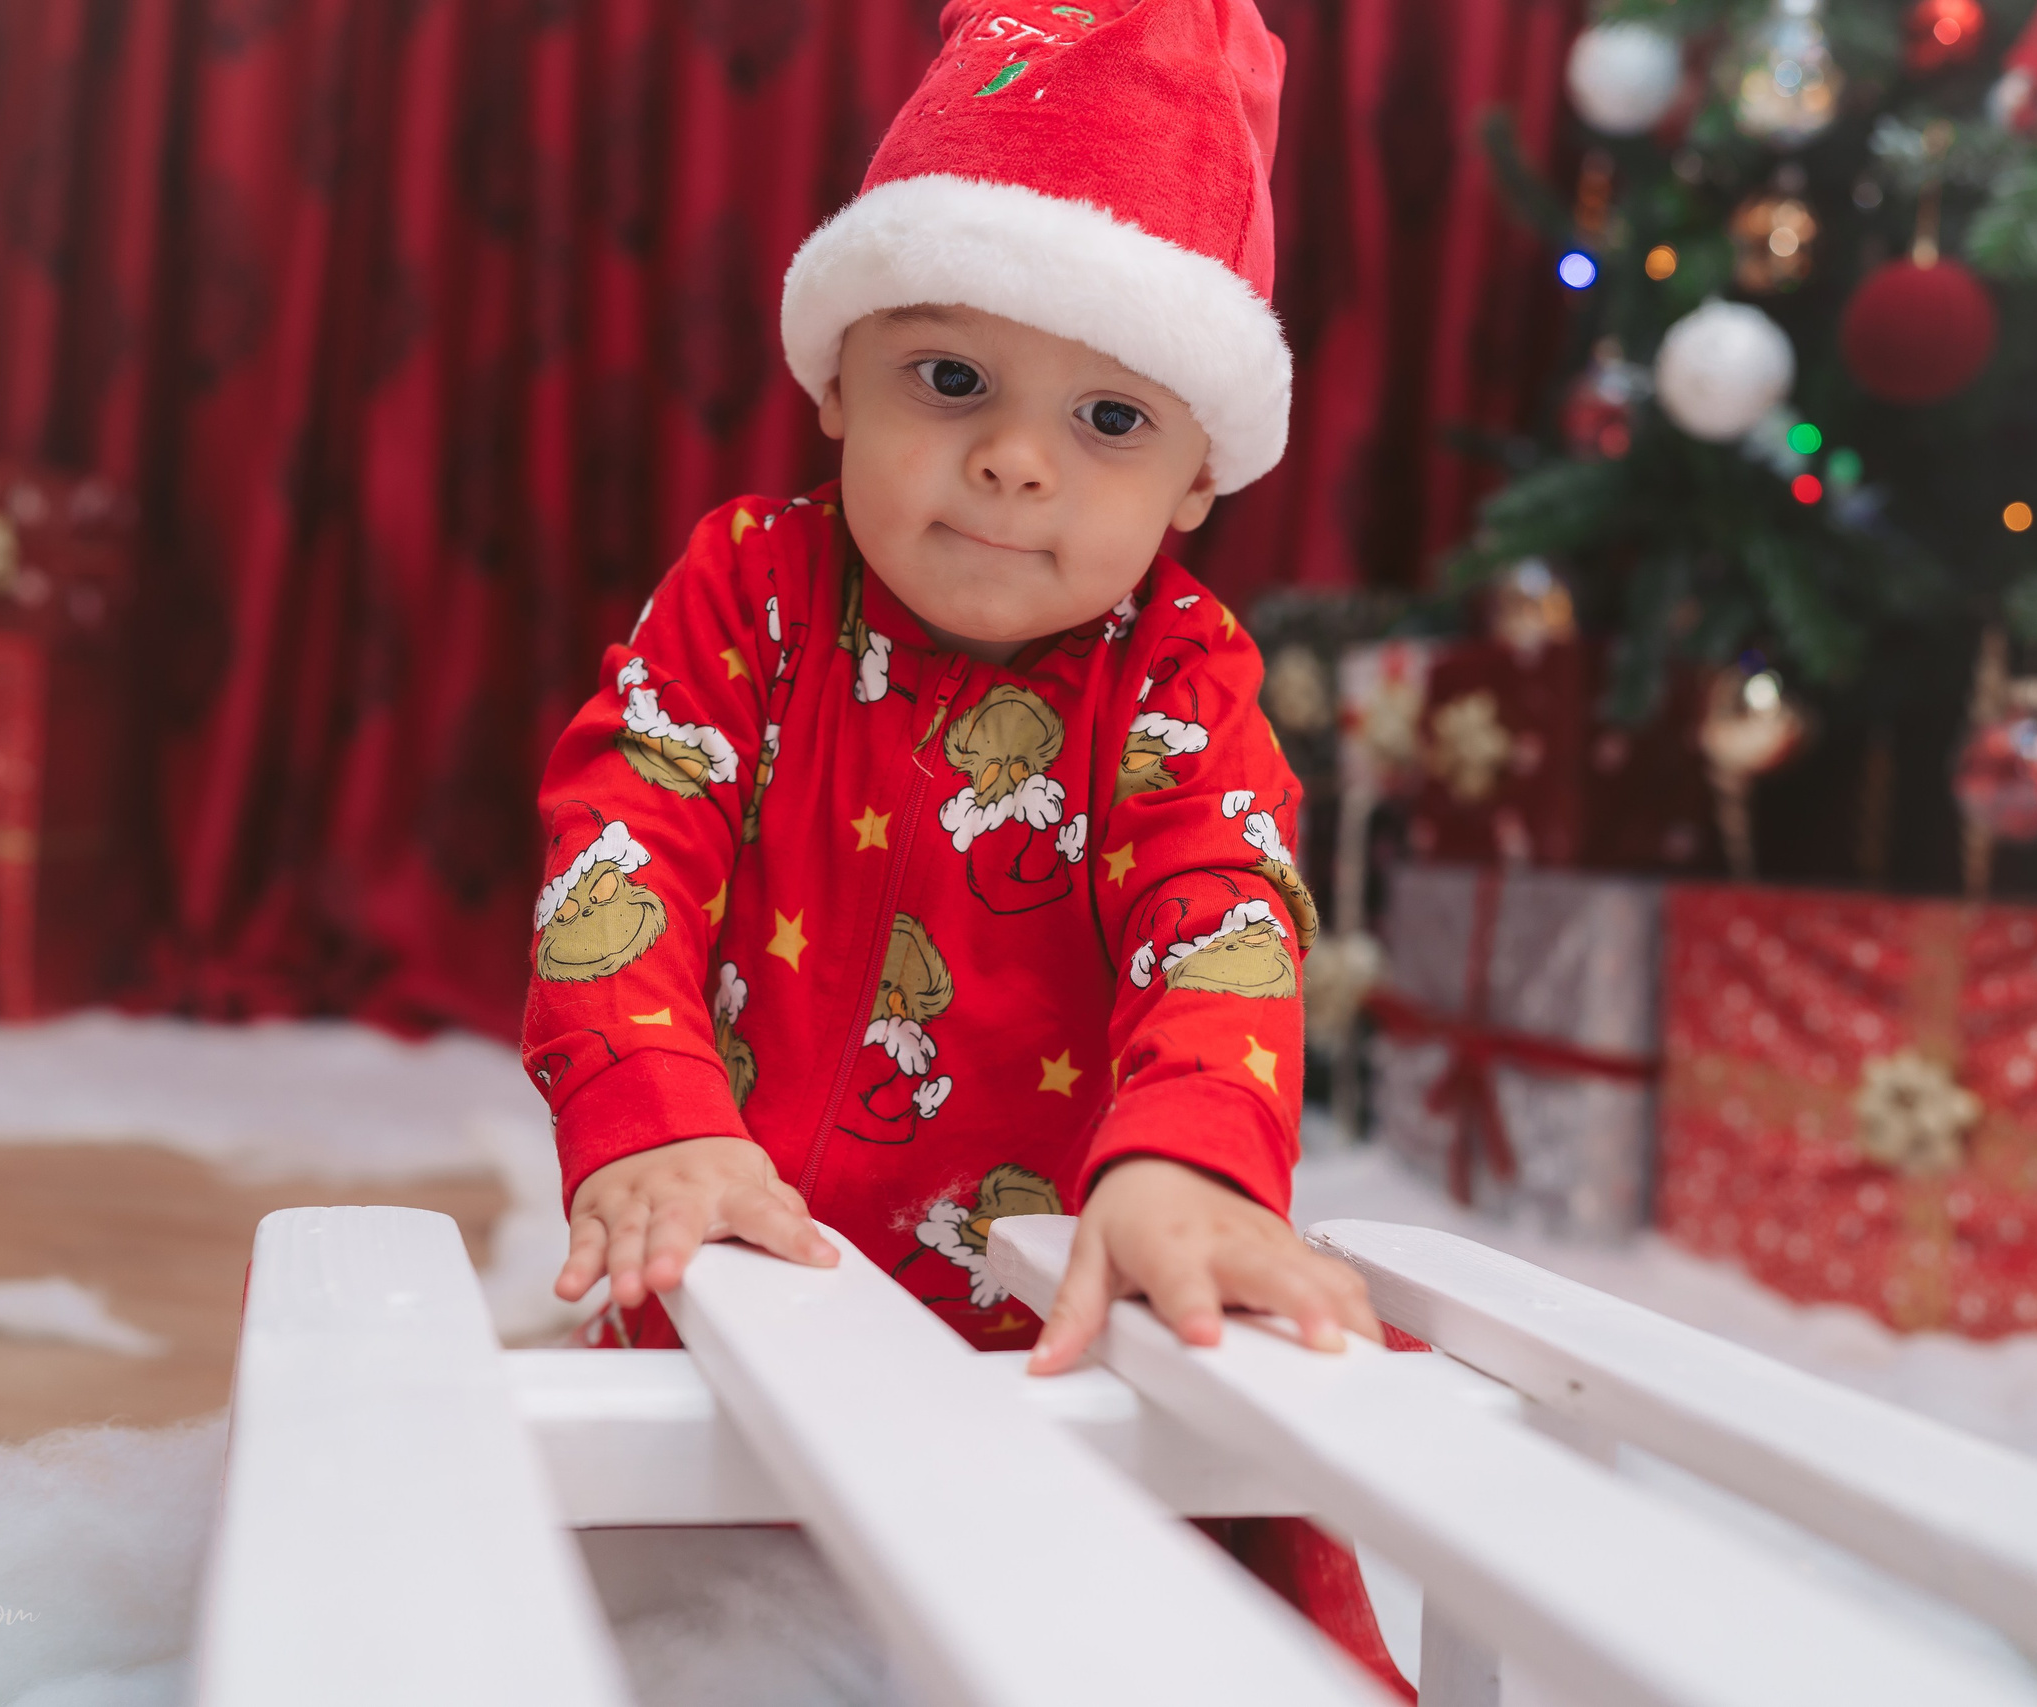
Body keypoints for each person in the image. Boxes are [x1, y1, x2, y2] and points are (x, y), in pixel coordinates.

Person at [525, 1, 1408, 1689]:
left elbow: (1223, 911)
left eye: (1109, 421)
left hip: (1055, 1337)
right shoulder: (747, 593)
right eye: (953, 380)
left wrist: (1192, 1160)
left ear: (1199, 477)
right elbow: (624, 835)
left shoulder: (1180, 678)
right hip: (741, 1267)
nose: (1012, 461)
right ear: (837, 379)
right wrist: (650, 1120)